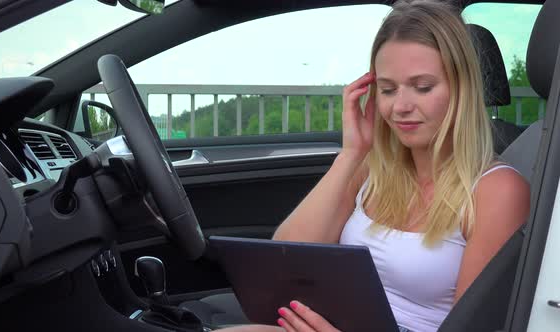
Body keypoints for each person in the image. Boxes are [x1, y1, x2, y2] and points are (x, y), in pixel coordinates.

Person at [218, 0, 530, 331]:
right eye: (388, 89)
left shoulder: (496, 191)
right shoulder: (372, 170)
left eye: (423, 87)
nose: (401, 106)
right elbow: (285, 260)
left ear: (462, 91)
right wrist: (351, 153)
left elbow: (471, 326)